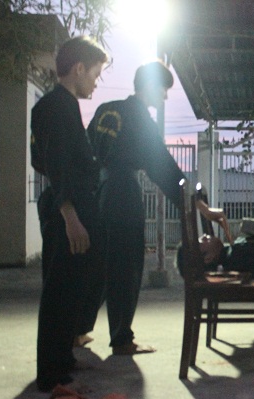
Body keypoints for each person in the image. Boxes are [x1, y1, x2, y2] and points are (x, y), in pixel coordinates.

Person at [80, 61, 185, 356]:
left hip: (98, 193)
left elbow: (86, 151)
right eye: (163, 90)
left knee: (99, 266)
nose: (165, 97)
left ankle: (78, 329)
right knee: (126, 267)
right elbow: (161, 165)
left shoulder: (106, 110)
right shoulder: (140, 118)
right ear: (151, 86)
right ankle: (122, 339)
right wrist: (189, 197)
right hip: (123, 192)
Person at [30, 36, 109, 392]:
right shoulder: (56, 106)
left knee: (73, 286)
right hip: (68, 211)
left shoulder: (60, 105)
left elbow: (45, 160)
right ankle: (51, 372)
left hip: (72, 206)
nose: (96, 82)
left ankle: (62, 359)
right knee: (60, 291)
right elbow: (56, 164)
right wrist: (70, 217)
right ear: (78, 68)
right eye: (95, 74)